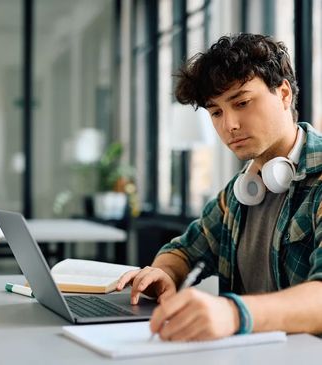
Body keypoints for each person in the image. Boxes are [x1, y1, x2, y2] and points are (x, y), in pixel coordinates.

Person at [117, 33, 322, 341]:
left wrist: (233, 313)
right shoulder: (240, 192)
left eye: (242, 103)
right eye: (216, 112)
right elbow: (183, 250)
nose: (229, 125)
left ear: (283, 94)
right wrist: (164, 273)